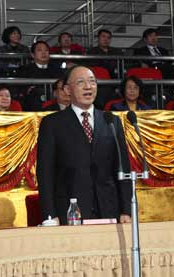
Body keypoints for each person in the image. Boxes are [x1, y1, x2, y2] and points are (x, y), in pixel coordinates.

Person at [36, 65, 132, 225]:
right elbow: (45, 173)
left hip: (109, 209)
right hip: (70, 210)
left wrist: (126, 210)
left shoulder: (111, 121)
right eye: (81, 82)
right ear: (67, 89)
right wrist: (49, 215)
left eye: (92, 82)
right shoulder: (52, 123)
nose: (88, 86)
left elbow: (123, 168)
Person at [18, 41, 64, 111]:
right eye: (39, 50)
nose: (43, 53)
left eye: (46, 50)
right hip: (33, 106)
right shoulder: (25, 70)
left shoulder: (56, 69)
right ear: (33, 55)